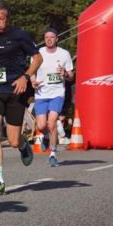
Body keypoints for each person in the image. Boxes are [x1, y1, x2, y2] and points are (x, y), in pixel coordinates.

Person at [0, 2, 42, 196]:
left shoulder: (19, 36)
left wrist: (25, 77)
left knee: (12, 140)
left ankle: (22, 145)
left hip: (15, 92)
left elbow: (38, 58)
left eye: (1, 19)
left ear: (7, 19)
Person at [31, 27, 74, 167]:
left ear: (57, 39)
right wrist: (33, 81)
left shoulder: (64, 54)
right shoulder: (38, 53)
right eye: (46, 37)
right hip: (41, 94)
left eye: (51, 37)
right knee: (42, 125)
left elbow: (71, 76)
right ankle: (47, 137)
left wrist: (65, 74)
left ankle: (53, 153)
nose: (49, 39)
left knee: (52, 122)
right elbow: (31, 71)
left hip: (57, 93)